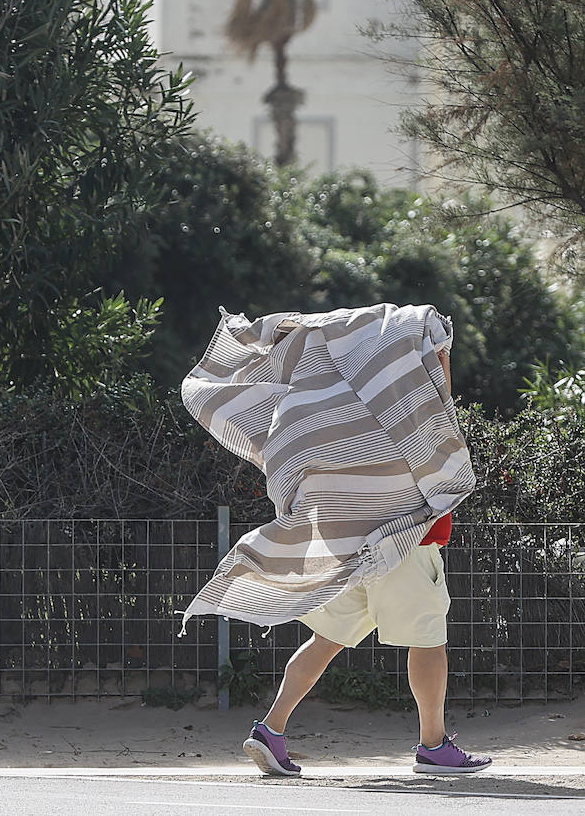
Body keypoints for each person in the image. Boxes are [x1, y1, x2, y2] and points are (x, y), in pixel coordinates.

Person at [180, 304, 489, 776]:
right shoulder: (407, 416)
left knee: (325, 639)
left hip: (353, 545)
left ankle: (271, 729)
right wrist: (438, 349)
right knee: (428, 642)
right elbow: (437, 401)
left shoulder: (347, 416)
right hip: (406, 543)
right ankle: (433, 745)